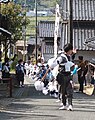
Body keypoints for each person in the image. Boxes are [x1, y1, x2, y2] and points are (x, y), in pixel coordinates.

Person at [49, 43, 75, 111]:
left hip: (68, 75)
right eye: (71, 50)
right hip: (62, 76)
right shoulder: (62, 57)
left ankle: (70, 105)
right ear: (69, 50)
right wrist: (52, 66)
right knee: (63, 91)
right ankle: (64, 104)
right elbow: (56, 63)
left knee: (69, 90)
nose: (72, 51)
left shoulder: (69, 56)